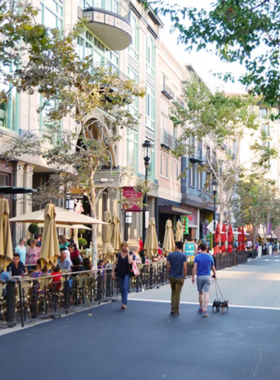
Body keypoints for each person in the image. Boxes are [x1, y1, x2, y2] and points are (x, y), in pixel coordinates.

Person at [192, 242, 216, 317]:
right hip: (207, 276)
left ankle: (201, 308)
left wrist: (193, 276)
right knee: (207, 293)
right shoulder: (210, 257)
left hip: (199, 276)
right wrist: (215, 274)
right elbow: (213, 267)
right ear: (206, 248)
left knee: (200, 293)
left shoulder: (197, 257)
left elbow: (195, 267)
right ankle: (205, 310)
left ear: (199, 248)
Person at [166, 241, 187, 316]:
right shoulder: (184, 256)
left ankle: (172, 307)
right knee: (177, 294)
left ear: (176, 246)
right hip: (180, 276)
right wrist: (184, 276)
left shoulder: (170, 255)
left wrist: (168, 273)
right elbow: (185, 268)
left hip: (172, 276)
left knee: (173, 292)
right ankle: (176, 310)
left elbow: (167, 266)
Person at [112, 241, 133, 310]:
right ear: (121, 247)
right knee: (121, 287)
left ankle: (124, 303)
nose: (124, 247)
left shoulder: (129, 254)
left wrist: (128, 252)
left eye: (126, 246)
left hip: (126, 272)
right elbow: (115, 263)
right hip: (119, 272)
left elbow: (130, 262)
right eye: (123, 246)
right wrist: (112, 272)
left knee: (125, 286)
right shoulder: (118, 254)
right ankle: (123, 302)